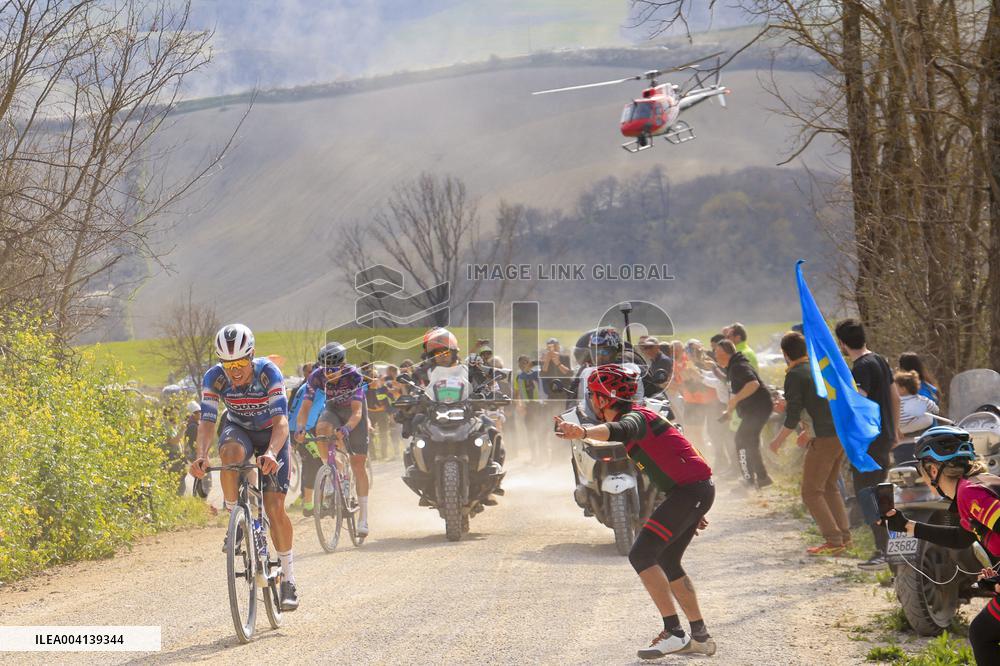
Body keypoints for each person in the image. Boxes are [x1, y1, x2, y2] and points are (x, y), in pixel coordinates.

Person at [554, 365, 716, 658]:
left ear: (603, 400)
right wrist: (695, 504)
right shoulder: (641, 417)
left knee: (642, 554)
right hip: (691, 491)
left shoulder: (635, 419)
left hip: (691, 492)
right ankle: (700, 637)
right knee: (667, 558)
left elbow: (619, 429)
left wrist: (582, 431)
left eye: (593, 395)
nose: (591, 400)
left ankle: (675, 632)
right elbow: (669, 459)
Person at [189, 324, 298, 611]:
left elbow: (282, 422)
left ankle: (288, 578)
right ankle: (235, 515)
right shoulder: (215, 378)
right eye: (228, 364)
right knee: (231, 454)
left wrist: (273, 453)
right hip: (238, 429)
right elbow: (207, 421)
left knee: (275, 508)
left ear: (251, 357)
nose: (234, 370)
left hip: (272, 433)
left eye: (240, 363)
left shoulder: (268, 373)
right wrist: (201, 455)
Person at [880, 426, 1000, 663]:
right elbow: (961, 538)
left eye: (921, 469)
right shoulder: (975, 485)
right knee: (982, 633)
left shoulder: (970, 493)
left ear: (932, 469)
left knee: (982, 634)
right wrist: (906, 526)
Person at [769, 331, 852, 555]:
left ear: (785, 354)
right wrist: (807, 431)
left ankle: (834, 541)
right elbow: (818, 405)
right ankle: (844, 537)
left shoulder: (795, 374)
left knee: (810, 492)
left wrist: (777, 441)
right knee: (829, 487)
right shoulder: (817, 368)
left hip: (824, 437)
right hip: (838, 433)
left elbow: (794, 414)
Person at [835, 318, 901, 571]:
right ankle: (891, 549)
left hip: (868, 441)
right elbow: (894, 396)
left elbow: (857, 402)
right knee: (881, 493)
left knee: (868, 496)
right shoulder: (880, 360)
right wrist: (895, 429)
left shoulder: (861, 367)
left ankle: (883, 552)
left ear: (841, 343)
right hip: (883, 436)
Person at [293, 342, 372, 536]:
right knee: (321, 429)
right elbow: (305, 408)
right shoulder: (316, 376)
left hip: (354, 413)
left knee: (358, 464)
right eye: (325, 369)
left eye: (334, 369)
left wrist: (346, 429)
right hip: (334, 409)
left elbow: (357, 411)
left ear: (343, 365)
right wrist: (301, 427)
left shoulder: (353, 375)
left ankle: (363, 516)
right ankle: (330, 471)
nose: (329, 374)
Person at [715, 339, 773, 489]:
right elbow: (736, 395)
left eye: (717, 353)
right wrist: (729, 411)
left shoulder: (738, 366)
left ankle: (749, 479)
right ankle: (762, 477)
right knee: (749, 441)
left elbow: (753, 384)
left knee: (741, 439)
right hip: (754, 408)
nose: (715, 357)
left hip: (758, 407)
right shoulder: (732, 367)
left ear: (724, 354)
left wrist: (735, 400)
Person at [288, 375, 326, 517]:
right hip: (304, 429)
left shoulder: (306, 386)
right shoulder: (320, 390)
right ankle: (321, 503)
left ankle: (309, 505)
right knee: (322, 463)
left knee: (310, 465)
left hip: (295, 428)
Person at [514, 355, 546, 463]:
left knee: (540, 431)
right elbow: (517, 393)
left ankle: (543, 455)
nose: (523, 365)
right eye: (521, 363)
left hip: (538, 406)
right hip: (527, 408)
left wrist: (535, 362)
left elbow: (543, 364)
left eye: (526, 362)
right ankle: (534, 456)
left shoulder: (536, 374)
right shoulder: (519, 377)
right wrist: (519, 406)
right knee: (530, 432)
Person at [896, 370, 941, 437]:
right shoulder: (922, 399)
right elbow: (936, 409)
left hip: (900, 427)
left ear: (903, 389)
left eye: (896, 387)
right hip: (917, 428)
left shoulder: (896, 401)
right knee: (929, 415)